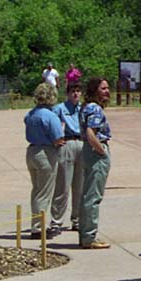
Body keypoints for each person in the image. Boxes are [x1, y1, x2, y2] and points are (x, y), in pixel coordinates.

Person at [24, 83, 65, 238]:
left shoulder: (30, 114)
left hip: (32, 151)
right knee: (44, 192)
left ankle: (36, 224)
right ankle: (38, 227)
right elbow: (58, 137)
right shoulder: (50, 116)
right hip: (46, 153)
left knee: (36, 190)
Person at [78, 77, 113, 249]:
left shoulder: (85, 107)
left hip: (87, 151)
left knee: (87, 194)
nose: (107, 91)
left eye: (107, 88)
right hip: (95, 152)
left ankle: (85, 233)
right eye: (103, 88)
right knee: (93, 195)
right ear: (94, 90)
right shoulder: (95, 109)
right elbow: (91, 133)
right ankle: (89, 236)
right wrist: (101, 151)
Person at [53, 82, 85, 232]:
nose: (75, 94)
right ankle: (56, 221)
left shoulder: (84, 108)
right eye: (73, 91)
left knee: (80, 186)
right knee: (63, 185)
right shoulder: (60, 108)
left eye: (78, 91)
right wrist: (55, 139)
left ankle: (77, 219)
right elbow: (52, 125)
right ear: (67, 93)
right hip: (67, 142)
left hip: (82, 143)